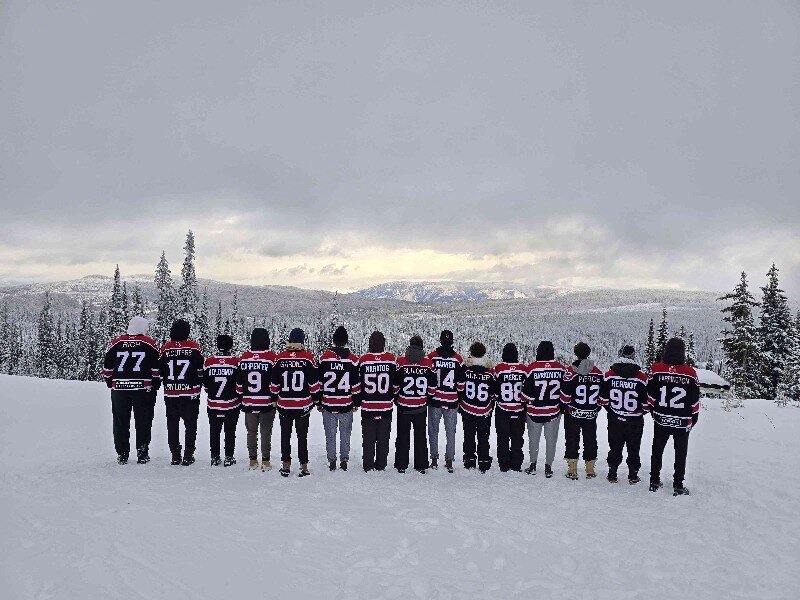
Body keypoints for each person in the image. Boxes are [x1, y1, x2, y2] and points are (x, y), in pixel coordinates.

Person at [102, 316, 161, 464]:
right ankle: (142, 453)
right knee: (143, 421)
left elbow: (107, 366)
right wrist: (155, 383)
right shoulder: (149, 343)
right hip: (143, 389)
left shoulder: (116, 342)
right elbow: (156, 367)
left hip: (119, 388)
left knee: (120, 422)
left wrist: (110, 381)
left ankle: (122, 454)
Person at [647, 337, 701, 495]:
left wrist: (653, 412)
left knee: (657, 450)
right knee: (680, 453)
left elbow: (650, 395)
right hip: (682, 421)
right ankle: (678, 485)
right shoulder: (690, 373)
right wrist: (694, 418)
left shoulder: (656, 369)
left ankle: (654, 481)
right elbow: (695, 400)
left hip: (661, 418)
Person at [270, 328, 320, 477]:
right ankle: (304, 466)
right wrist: (317, 399)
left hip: (284, 404)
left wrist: (274, 399)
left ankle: (286, 465)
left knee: (285, 436)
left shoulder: (279, 358)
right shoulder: (308, 358)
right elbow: (314, 385)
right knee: (302, 436)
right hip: (303, 405)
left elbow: (274, 384)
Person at [599, 345, 650, 484]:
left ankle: (612, 473)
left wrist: (612, 411)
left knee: (615, 447)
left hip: (615, 419)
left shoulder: (609, 375)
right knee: (634, 448)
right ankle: (633, 475)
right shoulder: (641, 377)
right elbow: (646, 404)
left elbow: (602, 399)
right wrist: (640, 413)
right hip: (635, 420)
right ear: (633, 356)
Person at [159, 319, 204, 466]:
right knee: (190, 425)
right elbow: (200, 370)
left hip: (171, 393)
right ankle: (188, 455)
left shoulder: (166, 348)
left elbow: (160, 371)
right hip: (190, 393)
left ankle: (175, 455)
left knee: (172, 424)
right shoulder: (194, 347)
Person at [521, 341, 566, 478]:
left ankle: (533, 465)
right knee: (551, 440)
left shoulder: (531, 368)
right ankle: (548, 467)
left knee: (533, 439)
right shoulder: (560, 368)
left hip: (534, 411)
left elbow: (525, 395)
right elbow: (565, 392)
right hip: (553, 411)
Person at [560, 342, 604, 480]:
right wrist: (596, 407)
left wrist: (567, 407)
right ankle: (590, 470)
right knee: (590, 440)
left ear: (575, 353)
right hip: (590, 413)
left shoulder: (570, 371)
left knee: (572, 439)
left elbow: (564, 395)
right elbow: (602, 395)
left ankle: (572, 470)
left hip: (573, 412)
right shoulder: (597, 371)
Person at [318, 325, 360, 471]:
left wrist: (318, 401)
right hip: (346, 403)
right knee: (345, 434)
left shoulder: (324, 358)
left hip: (328, 403)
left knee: (330, 434)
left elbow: (320, 383)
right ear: (346, 341)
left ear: (334, 341)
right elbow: (355, 385)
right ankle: (344, 460)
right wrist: (356, 402)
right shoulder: (353, 359)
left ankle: (331, 461)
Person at [393, 335, 436, 474]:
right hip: (420, 406)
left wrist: (397, 398)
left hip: (403, 405)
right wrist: (427, 398)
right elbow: (433, 386)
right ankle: (421, 465)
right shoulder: (428, 363)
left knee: (402, 436)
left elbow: (395, 384)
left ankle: (401, 465)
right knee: (420, 437)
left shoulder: (401, 361)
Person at [237, 328, 277, 471]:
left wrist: (241, 397)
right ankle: (265, 461)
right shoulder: (272, 357)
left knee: (251, 432)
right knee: (266, 432)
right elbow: (274, 382)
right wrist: (275, 398)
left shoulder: (244, 357)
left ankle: (252, 460)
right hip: (267, 402)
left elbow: (239, 383)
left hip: (249, 401)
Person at [356, 331, 396, 472]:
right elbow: (394, 382)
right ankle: (381, 464)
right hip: (385, 406)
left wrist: (358, 400)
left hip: (368, 405)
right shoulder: (390, 359)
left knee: (368, 438)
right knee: (383, 437)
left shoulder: (363, 360)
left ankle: (368, 465)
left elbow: (358, 383)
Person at [427, 330, 464, 473]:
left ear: (440, 341)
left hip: (435, 400)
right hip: (451, 400)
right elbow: (461, 384)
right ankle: (449, 461)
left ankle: (434, 460)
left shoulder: (432, 357)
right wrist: (459, 397)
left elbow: (428, 378)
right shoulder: (457, 359)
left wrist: (429, 395)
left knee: (433, 431)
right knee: (450, 432)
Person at [203, 334, 241, 467]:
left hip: (213, 404)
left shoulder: (209, 362)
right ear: (231, 346)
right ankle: (229, 457)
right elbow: (238, 384)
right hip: (231, 404)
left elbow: (206, 386)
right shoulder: (235, 362)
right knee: (230, 431)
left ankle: (214, 457)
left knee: (214, 431)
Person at [459, 342, 496, 473]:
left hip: (467, 408)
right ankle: (484, 461)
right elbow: (493, 393)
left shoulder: (466, 369)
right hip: (484, 410)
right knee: (483, 436)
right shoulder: (490, 372)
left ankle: (469, 460)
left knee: (468, 435)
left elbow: (460, 386)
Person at [493, 342, 528, 472]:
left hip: (503, 408)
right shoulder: (523, 369)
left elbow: (495, 389)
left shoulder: (499, 368)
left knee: (502, 437)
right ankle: (516, 464)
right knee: (517, 438)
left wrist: (498, 398)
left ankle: (504, 464)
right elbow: (527, 388)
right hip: (519, 409)